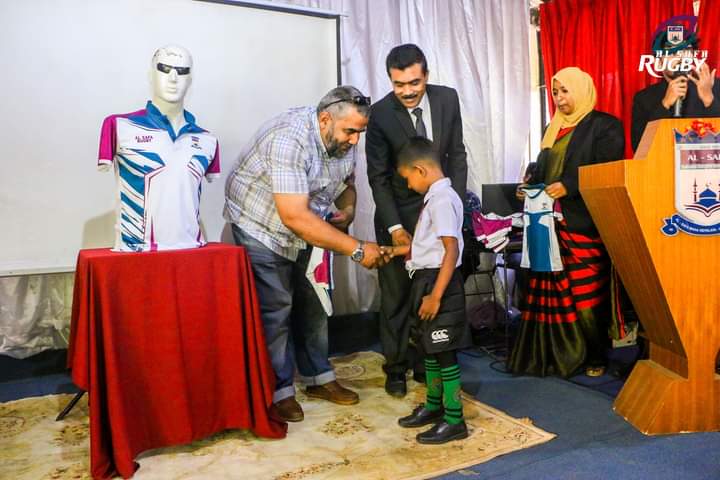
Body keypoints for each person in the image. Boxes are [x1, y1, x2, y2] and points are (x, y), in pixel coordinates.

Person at [224, 86, 385, 423]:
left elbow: (347, 186)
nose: (355, 140)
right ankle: (279, 391)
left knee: (314, 302)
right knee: (276, 309)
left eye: (360, 132)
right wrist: (357, 250)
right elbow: (294, 216)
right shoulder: (289, 138)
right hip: (261, 227)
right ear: (325, 119)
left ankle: (318, 378)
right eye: (350, 131)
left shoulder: (345, 139)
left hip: (308, 226)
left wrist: (348, 210)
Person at [508, 67, 625, 378]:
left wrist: (569, 186)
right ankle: (556, 356)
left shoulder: (605, 126)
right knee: (552, 292)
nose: (559, 98)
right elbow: (542, 170)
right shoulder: (553, 128)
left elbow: (607, 170)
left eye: (565, 91)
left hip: (584, 225)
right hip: (547, 225)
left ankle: (595, 355)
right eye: (555, 92)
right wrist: (529, 184)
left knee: (586, 295)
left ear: (582, 89)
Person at [366, 43, 468, 397]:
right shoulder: (380, 114)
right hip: (398, 214)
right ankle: (395, 367)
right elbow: (378, 177)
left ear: (426, 75)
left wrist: (454, 204)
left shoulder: (447, 99)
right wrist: (395, 228)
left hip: (438, 210)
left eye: (414, 82)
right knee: (396, 297)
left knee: (432, 291)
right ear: (390, 80)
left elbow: (457, 154)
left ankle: (429, 362)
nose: (407, 91)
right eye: (399, 84)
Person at [383, 137, 471, 444]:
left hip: (440, 284)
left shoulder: (443, 199)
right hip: (428, 279)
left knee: (444, 353)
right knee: (429, 348)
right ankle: (434, 406)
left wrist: (435, 296)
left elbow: (451, 249)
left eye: (408, 178)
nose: (408, 186)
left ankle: (455, 419)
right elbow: (429, 247)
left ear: (420, 169)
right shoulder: (436, 198)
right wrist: (394, 251)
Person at [98, 45, 220, 252]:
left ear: (190, 80)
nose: (173, 78)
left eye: (181, 71)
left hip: (192, 250)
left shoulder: (207, 139)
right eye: (164, 69)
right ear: (151, 75)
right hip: (136, 251)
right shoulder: (118, 126)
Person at [631, 38, 720, 152]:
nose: (680, 58)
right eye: (672, 53)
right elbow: (639, 148)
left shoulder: (715, 87)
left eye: (685, 52)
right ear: (659, 62)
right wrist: (664, 105)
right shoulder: (644, 98)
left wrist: (709, 100)